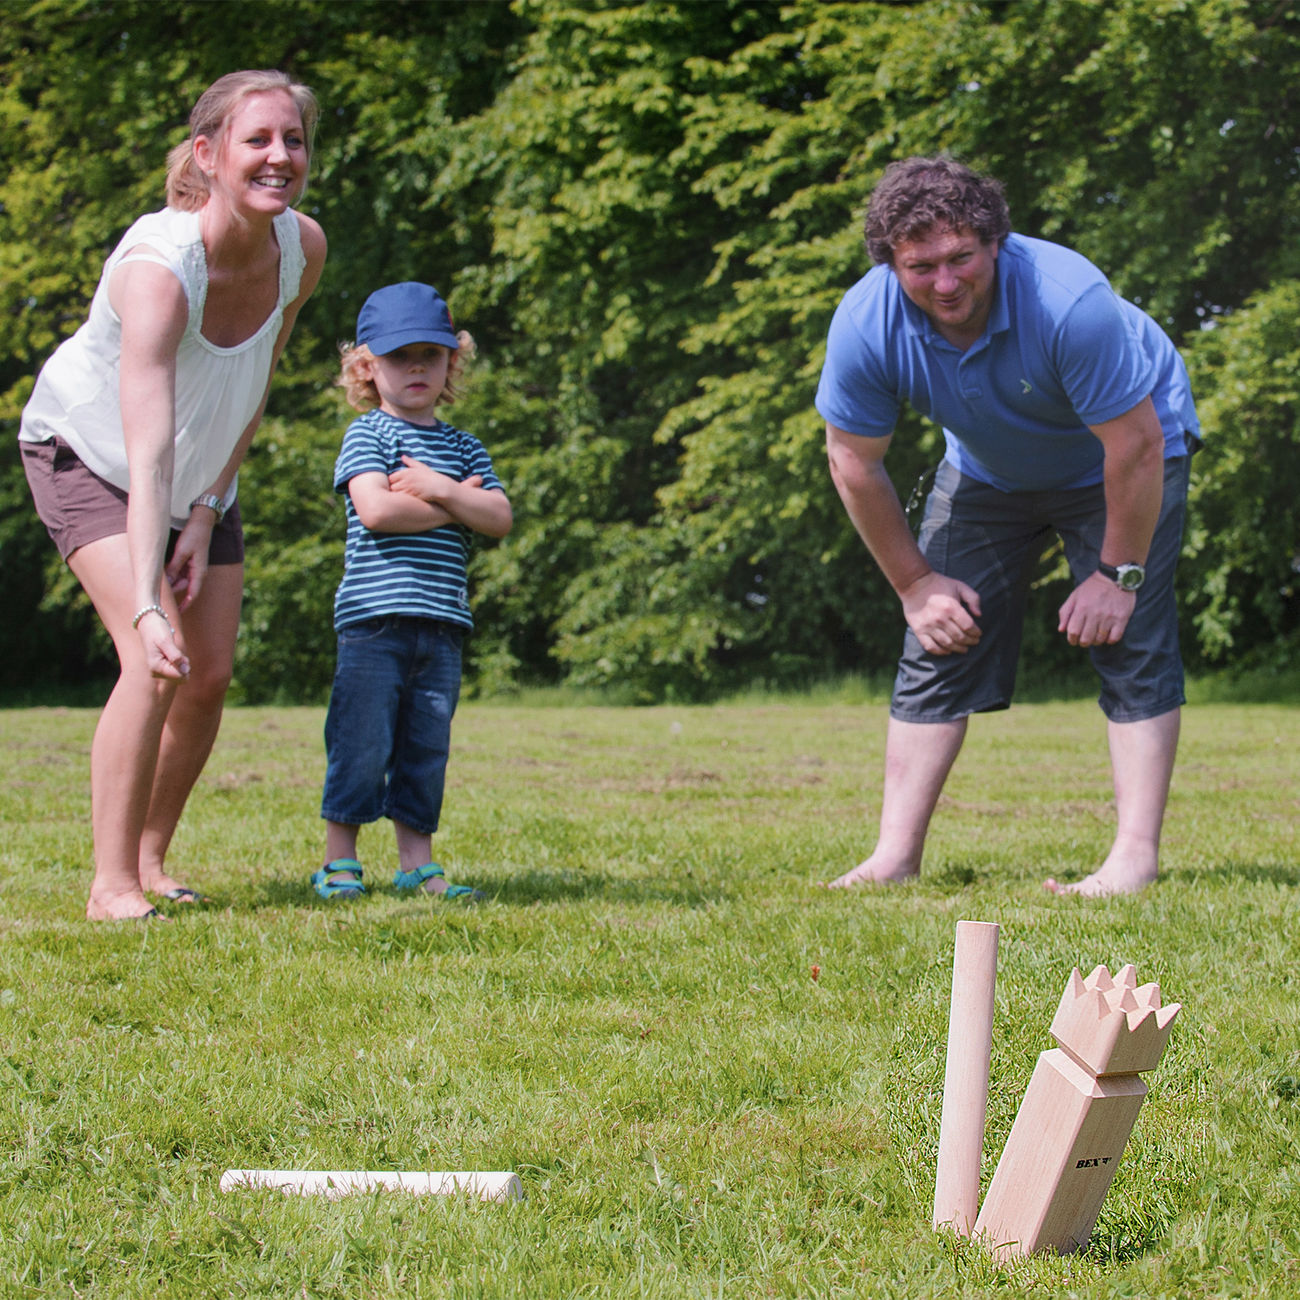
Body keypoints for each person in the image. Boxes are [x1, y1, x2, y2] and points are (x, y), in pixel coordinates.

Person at [815, 155, 1200, 897]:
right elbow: (852, 462)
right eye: (921, 265)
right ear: (891, 264)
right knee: (936, 635)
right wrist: (915, 583)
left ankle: (1133, 857)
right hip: (989, 468)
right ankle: (894, 856)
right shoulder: (867, 323)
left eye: (962, 257)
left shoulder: (1067, 301)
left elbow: (1137, 445)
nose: (946, 282)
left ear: (995, 243)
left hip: (1120, 457)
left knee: (1131, 636)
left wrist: (1118, 577)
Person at [19, 70, 328, 920]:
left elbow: (254, 380)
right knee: (154, 660)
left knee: (210, 674)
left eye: (293, 140)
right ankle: (110, 885)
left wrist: (207, 510)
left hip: (196, 476)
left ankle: (152, 862)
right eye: (257, 140)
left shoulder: (301, 248)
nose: (279, 157)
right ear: (209, 154)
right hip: (91, 454)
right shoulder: (161, 267)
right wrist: (151, 604)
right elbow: (145, 450)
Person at [313, 282, 513, 903]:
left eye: (432, 352)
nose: (418, 366)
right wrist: (459, 501)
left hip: (442, 624)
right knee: (361, 741)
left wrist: (436, 488)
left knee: (426, 746)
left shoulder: (462, 445)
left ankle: (415, 863)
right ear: (368, 367)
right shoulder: (367, 435)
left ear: (454, 359)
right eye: (400, 356)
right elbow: (375, 511)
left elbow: (500, 517)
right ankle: (339, 860)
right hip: (374, 621)